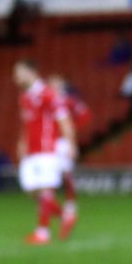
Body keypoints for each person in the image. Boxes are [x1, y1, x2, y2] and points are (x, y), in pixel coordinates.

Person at [13, 59, 76, 244]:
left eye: (18, 72)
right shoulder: (24, 97)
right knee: (32, 190)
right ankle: (65, 215)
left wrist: (71, 144)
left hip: (47, 150)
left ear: (31, 72)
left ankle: (43, 232)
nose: (15, 77)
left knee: (45, 191)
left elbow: (63, 119)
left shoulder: (48, 94)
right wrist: (22, 142)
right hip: (31, 150)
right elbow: (27, 123)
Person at [49, 74, 91, 237]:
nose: (52, 85)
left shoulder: (69, 101)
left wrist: (71, 130)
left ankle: (70, 206)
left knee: (66, 175)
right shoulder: (48, 102)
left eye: (55, 82)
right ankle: (59, 210)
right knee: (51, 178)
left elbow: (85, 115)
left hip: (62, 142)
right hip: (48, 142)